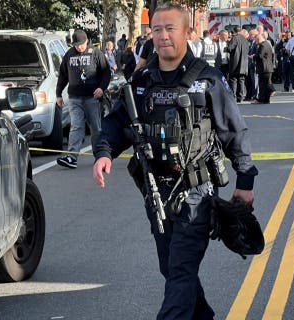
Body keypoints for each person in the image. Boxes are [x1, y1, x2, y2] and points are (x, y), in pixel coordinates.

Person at [92, 3, 258, 319]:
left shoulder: (208, 79)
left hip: (197, 194)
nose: (163, 36)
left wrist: (245, 181)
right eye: (157, 29)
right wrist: (103, 154)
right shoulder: (141, 82)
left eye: (170, 29)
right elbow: (116, 124)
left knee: (180, 269)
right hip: (156, 192)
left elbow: (234, 131)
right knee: (172, 269)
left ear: (188, 32)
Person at [56, 29, 111, 169]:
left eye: (81, 44)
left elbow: (106, 72)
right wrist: (58, 94)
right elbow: (62, 75)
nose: (79, 47)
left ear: (86, 41)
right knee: (76, 126)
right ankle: (72, 156)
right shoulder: (69, 54)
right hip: (75, 97)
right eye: (76, 45)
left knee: (96, 128)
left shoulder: (96, 53)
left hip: (92, 97)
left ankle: (100, 155)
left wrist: (101, 88)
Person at [228, 26, 250, 102]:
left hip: (235, 62)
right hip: (244, 63)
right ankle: (240, 97)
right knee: (241, 80)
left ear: (234, 31)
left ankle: (233, 96)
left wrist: (226, 48)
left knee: (233, 79)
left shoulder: (235, 38)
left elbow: (230, 48)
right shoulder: (245, 39)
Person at [254, 33, 275, 104]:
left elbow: (260, 56)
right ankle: (266, 99)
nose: (256, 42)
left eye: (256, 40)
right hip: (268, 67)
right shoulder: (268, 44)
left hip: (264, 68)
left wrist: (254, 56)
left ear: (259, 39)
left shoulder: (262, 45)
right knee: (266, 84)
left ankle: (262, 99)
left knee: (263, 85)